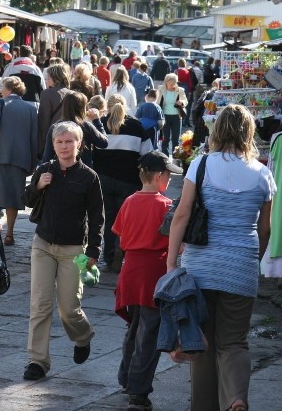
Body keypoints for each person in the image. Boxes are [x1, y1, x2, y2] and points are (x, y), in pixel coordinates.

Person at [166, 104, 276, 411]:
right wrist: (252, 262)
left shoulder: (200, 165)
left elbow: (182, 216)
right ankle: (236, 398)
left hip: (200, 267)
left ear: (217, 130)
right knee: (234, 342)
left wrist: (171, 262)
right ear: (249, 133)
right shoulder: (263, 174)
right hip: (240, 266)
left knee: (202, 344)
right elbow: (265, 228)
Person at [22, 121, 105, 381]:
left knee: (69, 307)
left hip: (74, 249)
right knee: (40, 305)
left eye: (69, 141)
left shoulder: (89, 177)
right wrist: (38, 186)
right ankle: (37, 361)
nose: (64, 146)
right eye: (59, 142)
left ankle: (82, 336)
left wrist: (94, 249)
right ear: (53, 145)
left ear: (79, 144)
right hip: (43, 244)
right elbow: (26, 200)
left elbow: (97, 216)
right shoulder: (45, 170)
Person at [113, 151, 181, 410]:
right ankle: (138, 392)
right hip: (153, 272)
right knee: (150, 333)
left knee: (135, 327)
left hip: (130, 270)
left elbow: (120, 236)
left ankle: (126, 377)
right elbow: (176, 243)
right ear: (158, 176)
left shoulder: (129, 201)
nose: (170, 181)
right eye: (168, 176)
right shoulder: (165, 205)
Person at [92, 95, 153, 271]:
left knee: (109, 219)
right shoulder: (136, 126)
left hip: (103, 179)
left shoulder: (100, 124)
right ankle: (122, 250)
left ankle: (110, 257)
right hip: (129, 180)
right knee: (126, 220)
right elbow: (147, 154)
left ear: (107, 107)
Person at [0, 76, 39, 246]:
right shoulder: (30, 109)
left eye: (2, 88)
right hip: (20, 158)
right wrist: (32, 162)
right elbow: (34, 137)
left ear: (10, 89)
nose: (0, 91)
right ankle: (10, 233)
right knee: (14, 197)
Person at [41, 91, 108, 167]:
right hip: (83, 172)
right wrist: (97, 121)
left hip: (61, 171)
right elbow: (104, 143)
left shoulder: (55, 127)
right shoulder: (85, 126)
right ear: (81, 108)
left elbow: (47, 156)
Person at [38, 64, 71, 150]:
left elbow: (44, 121)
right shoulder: (73, 94)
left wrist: (41, 147)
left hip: (53, 137)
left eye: (48, 77)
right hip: (70, 136)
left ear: (55, 78)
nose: (46, 80)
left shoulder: (46, 94)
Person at [157, 73, 188, 156]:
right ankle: (165, 158)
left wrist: (182, 102)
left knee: (176, 140)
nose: (172, 86)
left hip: (177, 117)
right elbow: (157, 101)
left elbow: (185, 101)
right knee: (165, 139)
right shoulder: (161, 89)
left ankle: (175, 158)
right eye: (170, 84)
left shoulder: (180, 90)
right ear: (166, 82)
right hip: (164, 116)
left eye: (174, 83)